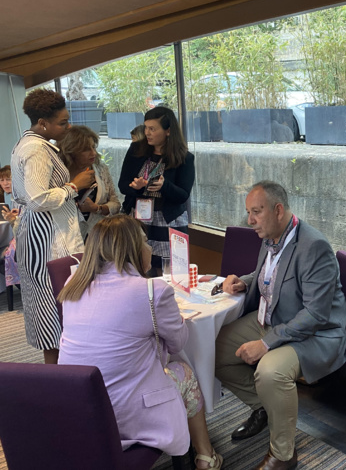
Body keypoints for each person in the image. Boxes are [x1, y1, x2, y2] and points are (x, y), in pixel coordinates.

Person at [57, 214, 222, 469]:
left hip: (77, 405)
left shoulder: (73, 284)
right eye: (145, 242)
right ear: (131, 248)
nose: (149, 248)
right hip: (126, 411)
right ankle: (205, 456)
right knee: (185, 373)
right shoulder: (151, 292)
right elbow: (178, 344)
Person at [215, 180, 346, 470]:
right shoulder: (271, 236)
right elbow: (268, 274)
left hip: (315, 335)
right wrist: (244, 281)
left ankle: (283, 455)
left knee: (270, 371)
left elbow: (315, 315)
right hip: (277, 318)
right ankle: (263, 408)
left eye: (256, 212)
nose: (249, 220)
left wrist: (265, 343)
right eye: (248, 212)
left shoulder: (314, 247)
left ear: (278, 210)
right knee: (215, 349)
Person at [11, 89, 94, 364]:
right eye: (62, 122)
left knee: (58, 306)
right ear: (43, 123)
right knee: (55, 309)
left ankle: (64, 378)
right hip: (46, 237)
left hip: (42, 231)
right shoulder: (36, 149)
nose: (67, 126)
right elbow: (37, 199)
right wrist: (73, 186)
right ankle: (59, 381)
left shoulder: (34, 143)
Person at [118, 107, 194, 274]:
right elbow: (123, 185)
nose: (147, 133)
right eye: (146, 128)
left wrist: (164, 186)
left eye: (152, 129)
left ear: (168, 131)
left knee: (170, 271)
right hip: (139, 219)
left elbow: (183, 195)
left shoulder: (184, 158)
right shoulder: (136, 150)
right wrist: (136, 188)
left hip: (169, 220)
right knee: (138, 267)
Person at [58, 125, 120, 239]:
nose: (93, 153)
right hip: (67, 237)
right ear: (72, 150)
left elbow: (116, 204)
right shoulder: (58, 173)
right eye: (86, 149)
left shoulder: (100, 169)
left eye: (94, 147)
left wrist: (97, 208)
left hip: (98, 235)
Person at [0, 166, 20, 290]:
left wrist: (13, 220)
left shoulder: (20, 198)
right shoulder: (13, 198)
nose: (5, 183)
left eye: (8, 179)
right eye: (2, 180)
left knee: (7, 252)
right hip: (18, 238)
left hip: (24, 240)